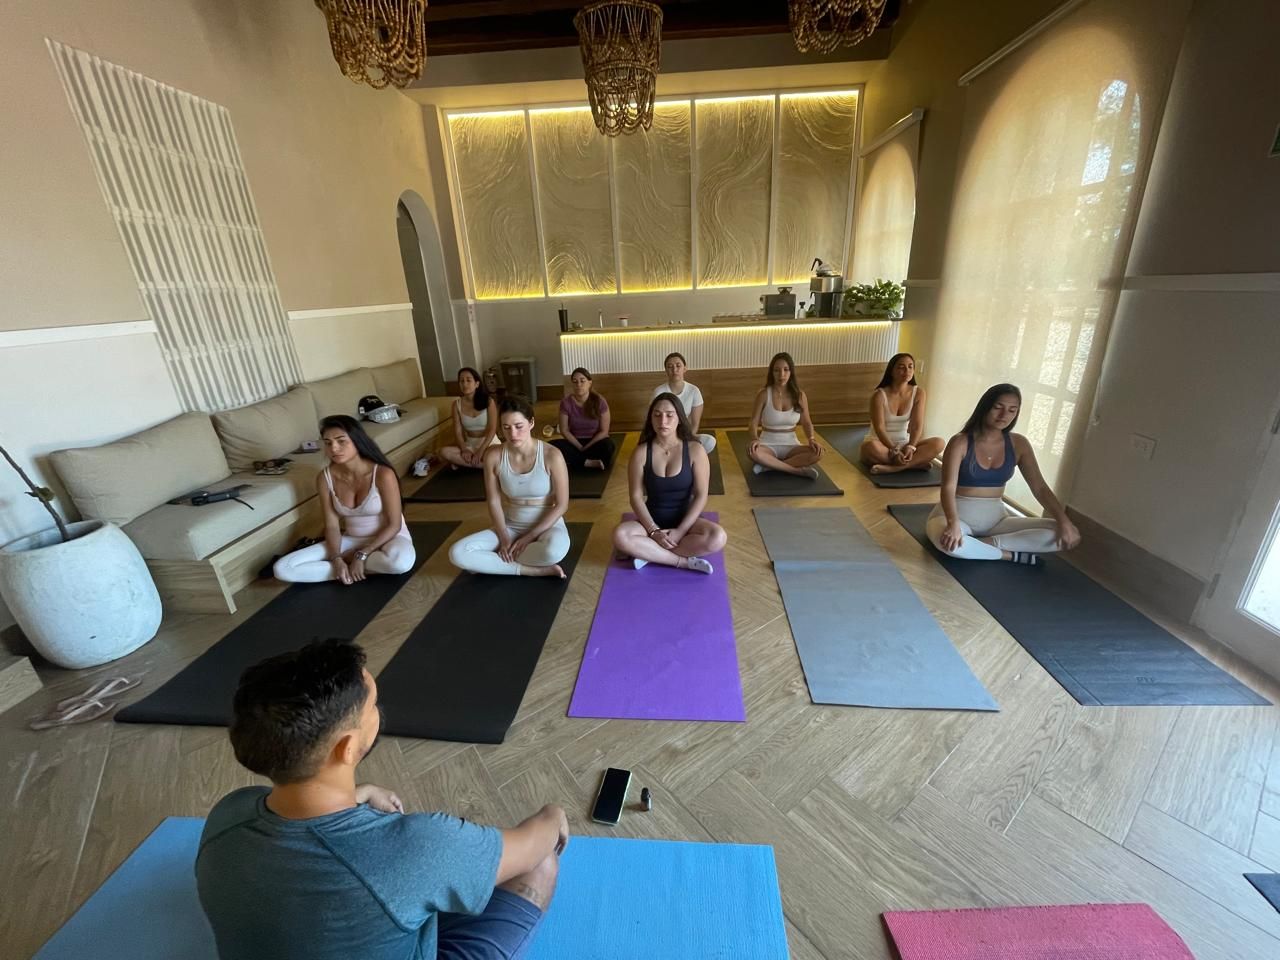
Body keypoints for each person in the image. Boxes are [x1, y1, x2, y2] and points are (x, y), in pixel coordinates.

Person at [196, 638, 568, 960]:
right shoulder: (421, 846)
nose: (378, 711)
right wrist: (552, 816)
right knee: (541, 865)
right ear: (347, 746)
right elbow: (530, 846)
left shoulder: (229, 812)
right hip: (415, 875)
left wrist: (359, 793)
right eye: (372, 706)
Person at [927, 383, 1082, 564]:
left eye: (1012, 410)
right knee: (949, 544)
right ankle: (1010, 555)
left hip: (997, 521)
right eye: (997, 408)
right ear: (985, 407)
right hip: (956, 516)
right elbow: (948, 487)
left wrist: (1064, 521)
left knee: (1063, 531)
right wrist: (953, 524)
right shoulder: (960, 442)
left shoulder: (1019, 444)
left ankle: (984, 545)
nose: (1003, 415)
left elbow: (1040, 488)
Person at [273, 416, 414, 584]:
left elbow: (394, 525)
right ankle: (348, 570)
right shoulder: (325, 478)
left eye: (341, 441)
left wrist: (361, 555)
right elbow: (332, 526)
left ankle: (350, 567)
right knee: (282, 568)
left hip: (389, 539)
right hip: (351, 540)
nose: (334, 448)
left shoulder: (383, 474)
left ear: (357, 441)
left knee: (400, 563)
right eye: (328, 443)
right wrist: (337, 558)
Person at [449, 396, 571, 578]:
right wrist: (504, 538)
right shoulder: (493, 456)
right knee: (457, 553)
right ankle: (531, 570)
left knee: (552, 552)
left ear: (531, 423)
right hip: (511, 526)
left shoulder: (552, 455)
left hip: (548, 527)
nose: (513, 434)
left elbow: (562, 505)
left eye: (518, 426)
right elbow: (494, 501)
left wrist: (529, 537)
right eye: (506, 427)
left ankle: (491, 563)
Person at [612, 393, 727, 574]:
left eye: (669, 415)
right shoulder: (641, 452)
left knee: (717, 537)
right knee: (620, 535)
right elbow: (635, 497)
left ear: (679, 418)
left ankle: (650, 553)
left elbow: (701, 495)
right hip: (651, 521)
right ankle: (681, 561)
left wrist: (680, 531)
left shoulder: (695, 450)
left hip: (686, 521)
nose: (662, 421)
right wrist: (653, 531)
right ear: (650, 419)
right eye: (657, 415)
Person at [861, 353, 945, 474]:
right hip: (881, 444)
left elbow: (916, 426)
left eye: (910, 367)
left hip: (904, 444)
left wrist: (911, 447)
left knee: (939, 443)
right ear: (891, 371)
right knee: (869, 448)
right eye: (901, 367)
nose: (907, 371)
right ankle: (914, 464)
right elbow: (879, 428)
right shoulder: (878, 395)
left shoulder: (919, 393)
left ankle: (895, 468)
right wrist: (894, 450)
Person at [746, 352, 823, 479]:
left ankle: (769, 467)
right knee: (753, 452)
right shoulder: (763, 394)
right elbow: (753, 422)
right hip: (767, 444)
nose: (781, 375)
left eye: (786, 370)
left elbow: (806, 422)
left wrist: (812, 439)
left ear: (791, 372)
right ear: (772, 373)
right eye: (777, 370)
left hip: (791, 444)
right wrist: (754, 438)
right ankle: (797, 471)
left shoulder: (800, 395)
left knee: (818, 453)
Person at [552, 367, 615, 471]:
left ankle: (577, 462)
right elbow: (564, 430)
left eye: (582, 381)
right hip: (575, 442)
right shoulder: (566, 403)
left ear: (589, 383)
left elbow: (604, 431)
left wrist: (587, 447)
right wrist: (580, 447)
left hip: (595, 442)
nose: (579, 385)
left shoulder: (600, 401)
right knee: (553, 446)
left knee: (608, 446)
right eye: (575, 382)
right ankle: (587, 463)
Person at [652, 352, 716, 453]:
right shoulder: (659, 392)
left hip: (684, 434)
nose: (674, 370)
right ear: (666, 371)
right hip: (664, 434)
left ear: (685, 369)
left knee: (710, 441)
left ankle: (685, 455)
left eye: (678, 366)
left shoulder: (694, 390)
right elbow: (654, 421)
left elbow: (695, 423)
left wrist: (687, 439)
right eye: (670, 367)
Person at [441, 367, 499, 469]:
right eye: (461, 381)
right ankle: (484, 466)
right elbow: (458, 432)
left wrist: (480, 451)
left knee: (494, 454)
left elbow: (492, 429)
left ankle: (470, 463)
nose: (465, 384)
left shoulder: (489, 401)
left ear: (477, 384)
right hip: (470, 445)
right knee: (444, 452)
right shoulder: (456, 404)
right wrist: (464, 449)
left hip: (489, 444)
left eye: (468, 380)